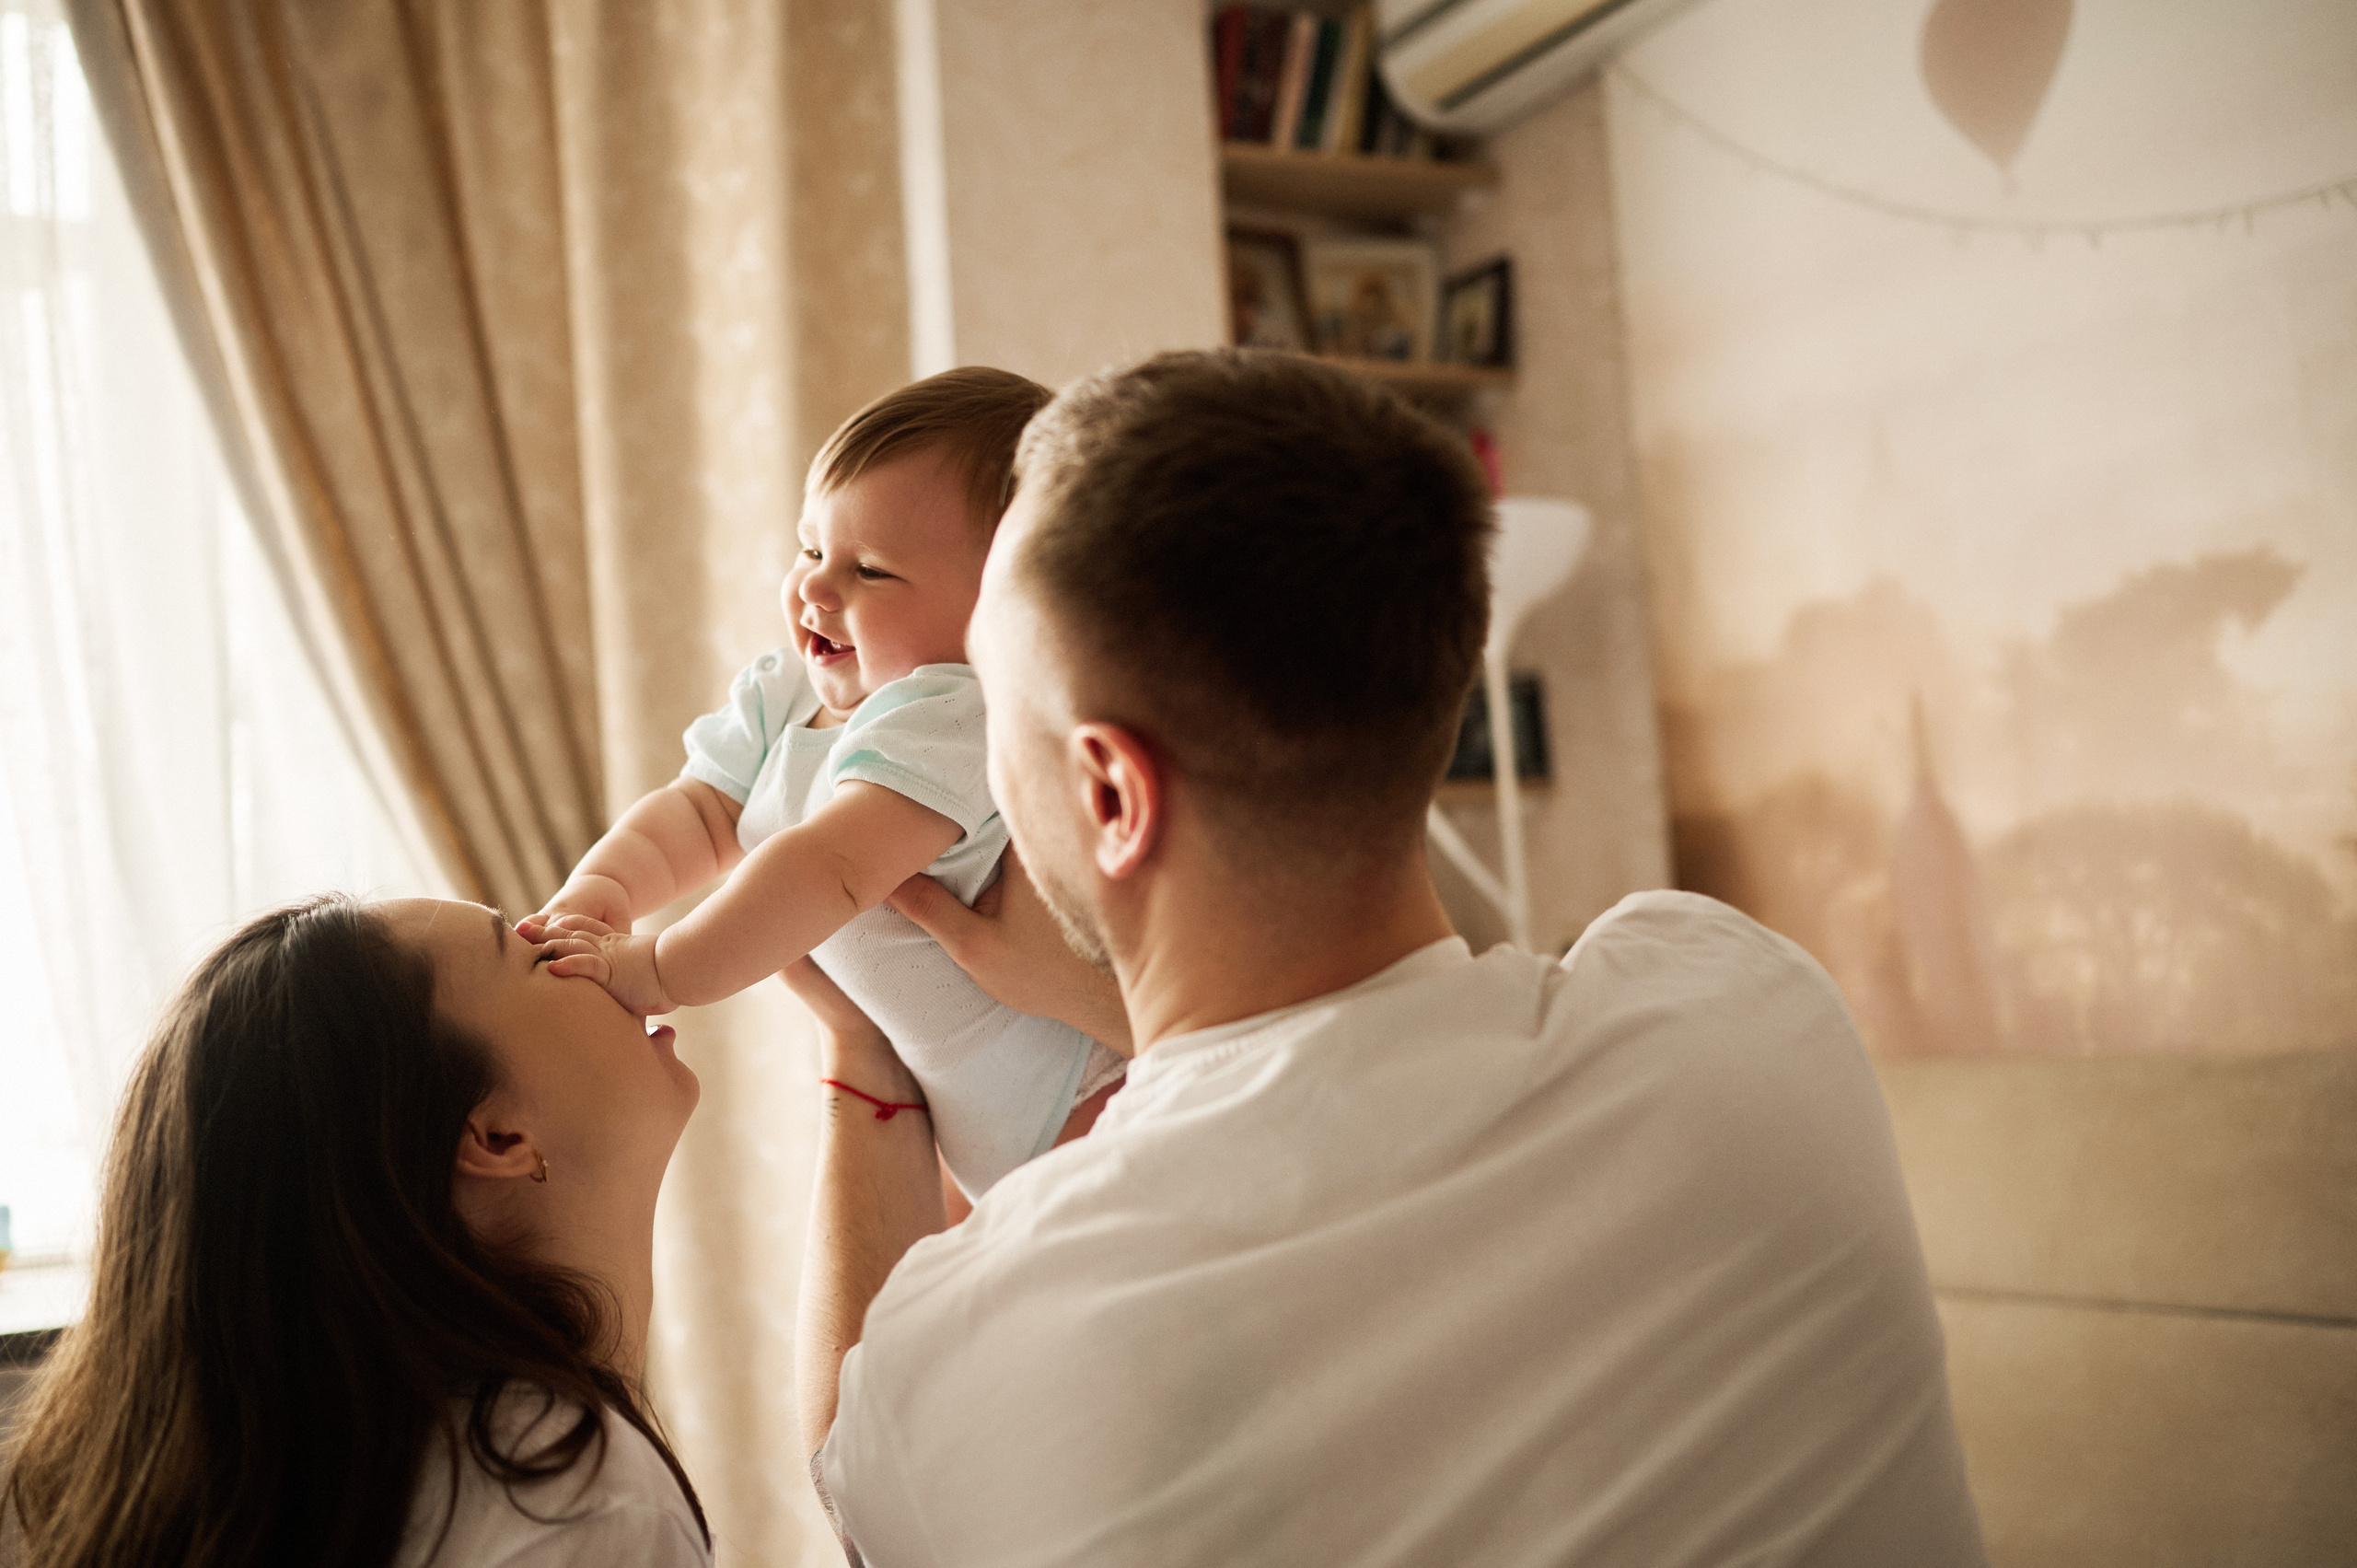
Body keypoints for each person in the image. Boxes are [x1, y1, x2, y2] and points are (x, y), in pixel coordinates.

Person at [790, 350, 1990, 1565]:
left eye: (979, 695)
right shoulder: (1744, 1003)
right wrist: (1090, 997)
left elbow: (857, 1474)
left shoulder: (1004, 1337)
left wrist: (867, 1038)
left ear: (1110, 789)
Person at [522, 367, 1122, 1202]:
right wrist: (602, 892)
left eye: (870, 570)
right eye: (810, 548)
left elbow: (828, 868)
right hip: (973, 1119)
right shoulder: (787, 695)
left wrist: (657, 967)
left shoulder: (953, 712)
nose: (813, 587)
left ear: (999, 607)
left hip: (1086, 1098)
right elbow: (696, 812)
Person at [0, 896, 710, 1566]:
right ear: (495, 1136)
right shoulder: (579, 1501)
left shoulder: (354, 1475)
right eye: (533, 957)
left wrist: (832, 1067)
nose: (580, 940)